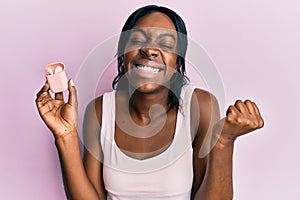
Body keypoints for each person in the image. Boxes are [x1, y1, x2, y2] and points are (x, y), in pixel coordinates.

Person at [35, 5, 264, 200]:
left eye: (165, 45)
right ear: (123, 55)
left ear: (177, 62)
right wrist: (65, 137)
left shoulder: (200, 106)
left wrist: (223, 142)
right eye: (137, 40)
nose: (150, 50)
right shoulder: (99, 111)